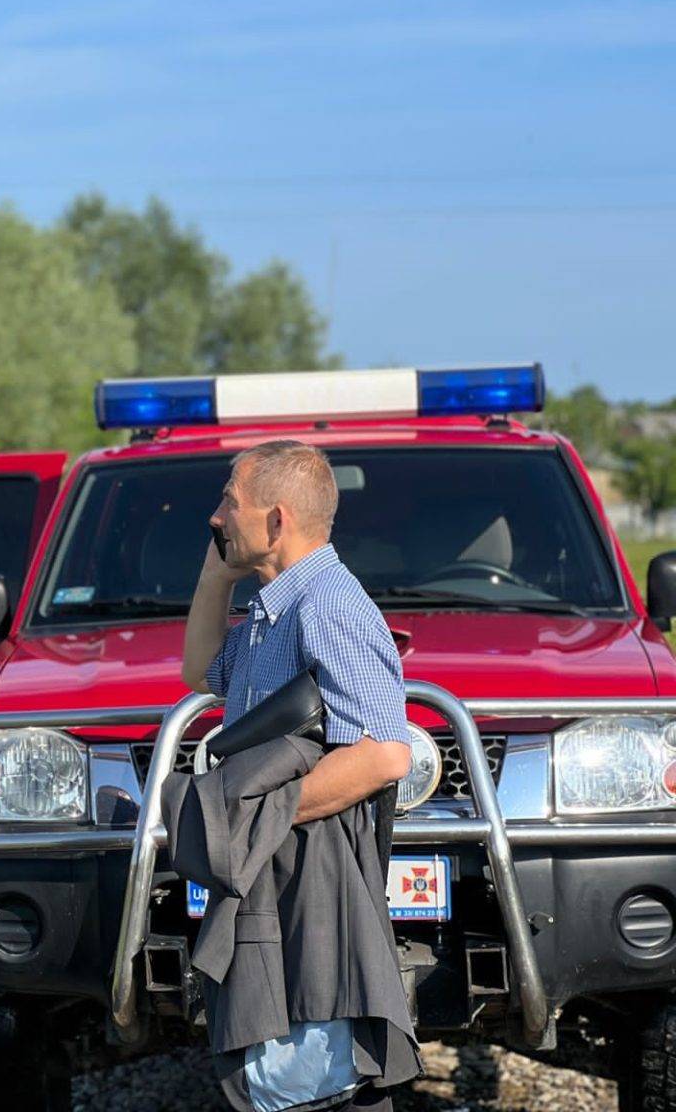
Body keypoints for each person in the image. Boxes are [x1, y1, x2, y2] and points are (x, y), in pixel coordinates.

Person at [181, 439, 416, 1112]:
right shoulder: (273, 610)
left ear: (277, 521)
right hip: (279, 871)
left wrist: (260, 815)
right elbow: (200, 673)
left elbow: (383, 752)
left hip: (314, 880)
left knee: (324, 1078)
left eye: (229, 502)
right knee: (286, 1074)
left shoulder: (327, 607)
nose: (217, 516)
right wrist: (218, 574)